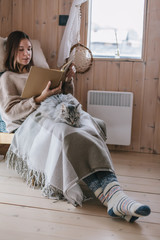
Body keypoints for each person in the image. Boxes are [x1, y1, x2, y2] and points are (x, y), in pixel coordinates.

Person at [0, 31, 150, 223]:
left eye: (29, 49)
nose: (26, 53)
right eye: (20, 49)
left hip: (57, 109)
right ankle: (112, 197)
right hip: (33, 119)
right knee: (66, 134)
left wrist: (67, 80)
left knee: (89, 126)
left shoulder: (39, 72)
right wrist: (38, 99)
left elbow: (64, 95)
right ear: (11, 51)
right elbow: (9, 113)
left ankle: (115, 192)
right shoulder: (7, 78)